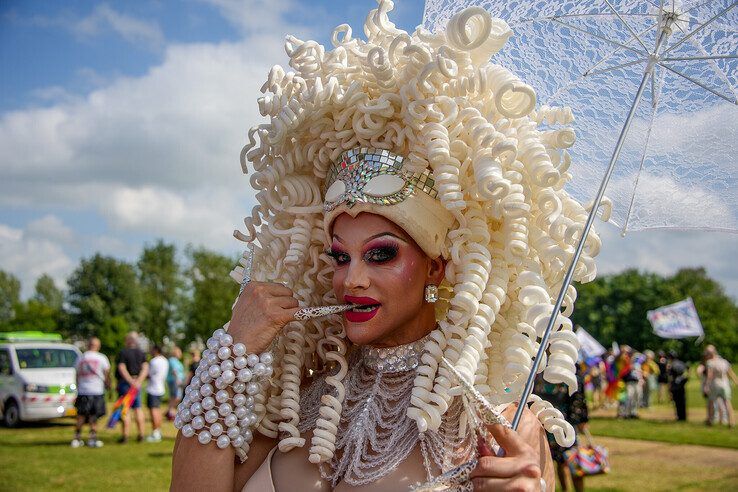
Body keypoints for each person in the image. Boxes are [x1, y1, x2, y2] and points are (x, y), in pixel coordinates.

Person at [170, 2, 603, 490]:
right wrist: (233, 349)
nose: (351, 277)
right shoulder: (301, 405)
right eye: (340, 256)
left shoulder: (500, 428)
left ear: (437, 268)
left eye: (381, 253)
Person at [535, 365, 589, 492]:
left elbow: (578, 395)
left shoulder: (570, 365)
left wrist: (580, 419)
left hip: (565, 420)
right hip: (545, 418)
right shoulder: (539, 366)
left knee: (570, 459)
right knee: (554, 460)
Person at [72, 337, 110, 448]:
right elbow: (107, 374)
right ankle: (92, 439)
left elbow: (77, 375)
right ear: (98, 346)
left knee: (81, 416)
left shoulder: (81, 358)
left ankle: (77, 438)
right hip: (97, 390)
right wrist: (108, 386)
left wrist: (78, 388)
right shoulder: (102, 358)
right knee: (94, 416)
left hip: (83, 390)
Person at [116, 331, 148, 443]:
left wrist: (130, 381)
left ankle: (125, 436)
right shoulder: (141, 353)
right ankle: (141, 434)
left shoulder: (123, 353)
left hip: (126, 384)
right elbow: (145, 368)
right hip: (137, 384)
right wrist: (138, 381)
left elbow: (122, 367)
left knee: (125, 409)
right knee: (138, 408)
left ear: (128, 341)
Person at [705, 345, 738, 427]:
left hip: (715, 384)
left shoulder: (710, 362)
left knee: (711, 402)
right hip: (725, 384)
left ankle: (710, 420)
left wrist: (707, 385)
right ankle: (732, 422)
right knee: (727, 403)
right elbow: (731, 373)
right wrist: (736, 382)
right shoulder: (724, 361)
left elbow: (710, 375)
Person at [146, 345, 169, 442]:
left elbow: (148, 374)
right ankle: (158, 431)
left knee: (153, 411)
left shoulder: (154, 361)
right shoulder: (165, 360)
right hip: (160, 387)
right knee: (158, 410)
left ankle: (155, 432)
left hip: (153, 388)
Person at [668, 351, 689, 421]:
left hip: (675, 385)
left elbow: (670, 377)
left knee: (677, 401)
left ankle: (679, 416)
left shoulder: (672, 365)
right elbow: (687, 371)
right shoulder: (681, 363)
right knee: (682, 401)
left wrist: (670, 387)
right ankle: (684, 416)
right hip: (682, 384)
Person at [166, 346, 186, 421]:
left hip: (179, 381)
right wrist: (178, 379)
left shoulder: (177, 361)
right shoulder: (172, 360)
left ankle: (170, 411)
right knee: (174, 397)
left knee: (177, 397)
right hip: (174, 381)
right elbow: (175, 371)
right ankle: (171, 412)